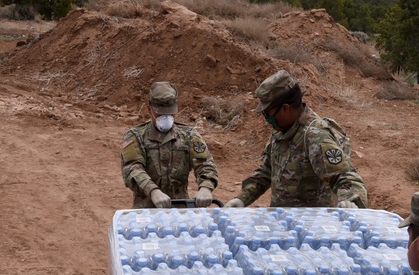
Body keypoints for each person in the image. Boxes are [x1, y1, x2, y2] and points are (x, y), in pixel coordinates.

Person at [224, 70, 367, 209]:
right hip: (284, 222)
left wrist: (350, 202)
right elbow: (267, 170)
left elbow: (346, 178)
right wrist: (242, 199)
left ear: (285, 108)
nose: (267, 119)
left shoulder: (315, 136)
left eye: (267, 113)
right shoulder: (282, 130)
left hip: (311, 226)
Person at [121, 81, 218, 209]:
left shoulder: (189, 135)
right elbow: (132, 169)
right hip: (146, 211)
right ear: (149, 110)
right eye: (160, 113)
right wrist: (153, 191)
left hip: (180, 211)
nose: (166, 118)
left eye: (170, 113)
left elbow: (205, 164)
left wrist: (205, 187)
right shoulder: (135, 136)